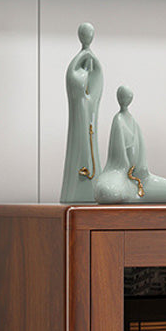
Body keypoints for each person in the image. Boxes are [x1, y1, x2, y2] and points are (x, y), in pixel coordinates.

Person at [94, 86, 166, 204]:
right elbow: (118, 152)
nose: (125, 100)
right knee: (107, 192)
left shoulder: (133, 122)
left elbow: (141, 151)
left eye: (128, 97)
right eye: (123, 97)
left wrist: (141, 170)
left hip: (140, 176)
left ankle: (132, 190)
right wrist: (124, 168)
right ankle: (127, 190)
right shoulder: (118, 120)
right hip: (120, 172)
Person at [60, 23, 103, 204]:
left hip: (89, 105)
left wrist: (90, 95)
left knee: (91, 140)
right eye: (86, 34)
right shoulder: (76, 64)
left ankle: (91, 182)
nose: (88, 37)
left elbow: (97, 82)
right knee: (80, 139)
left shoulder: (92, 61)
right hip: (80, 105)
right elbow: (74, 83)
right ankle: (77, 187)